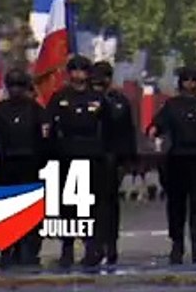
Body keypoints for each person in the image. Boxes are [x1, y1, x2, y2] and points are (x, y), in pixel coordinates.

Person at [147, 66, 196, 264]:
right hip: (177, 158)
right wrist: (154, 130)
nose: (190, 84)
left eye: (193, 80)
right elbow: (157, 124)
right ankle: (177, 243)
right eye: (186, 80)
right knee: (176, 205)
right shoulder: (172, 105)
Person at [0, 68, 47, 268]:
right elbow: (47, 134)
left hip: (10, 163)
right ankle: (24, 250)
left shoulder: (0, 108)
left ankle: (12, 250)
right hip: (28, 164)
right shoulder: (34, 108)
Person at [45, 55, 113, 268]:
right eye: (74, 70)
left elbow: (110, 127)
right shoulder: (59, 97)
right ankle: (67, 248)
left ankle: (92, 246)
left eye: (82, 70)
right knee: (68, 205)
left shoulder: (98, 98)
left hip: (93, 154)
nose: (78, 75)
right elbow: (49, 127)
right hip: (67, 153)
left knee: (91, 204)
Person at [89, 61, 137, 265]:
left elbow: (126, 129)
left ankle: (110, 244)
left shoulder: (118, 101)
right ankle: (93, 245)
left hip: (111, 158)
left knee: (109, 204)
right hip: (87, 156)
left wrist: (129, 160)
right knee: (88, 205)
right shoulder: (84, 100)